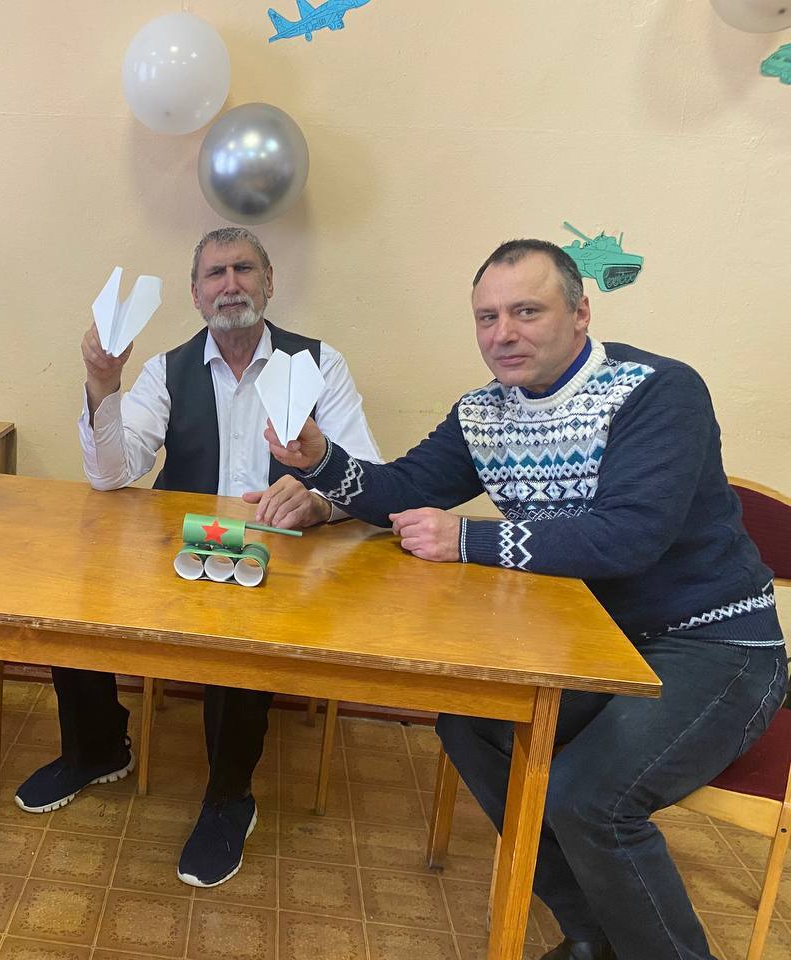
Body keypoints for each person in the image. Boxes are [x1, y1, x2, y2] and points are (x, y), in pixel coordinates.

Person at [265, 238, 785, 960]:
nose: (503, 333)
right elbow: (403, 490)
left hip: (714, 646)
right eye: (487, 317)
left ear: (581, 314)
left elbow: (630, 537)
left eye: (527, 312)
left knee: (587, 798)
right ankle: (593, 932)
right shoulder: (483, 413)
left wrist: (468, 539)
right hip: (589, 644)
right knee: (472, 720)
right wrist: (321, 461)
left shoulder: (658, 391)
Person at [14, 226, 383, 889]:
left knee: (241, 629)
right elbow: (111, 473)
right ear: (195, 292)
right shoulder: (166, 369)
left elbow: (370, 477)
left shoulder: (318, 364)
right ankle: (98, 749)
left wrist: (320, 502)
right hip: (182, 547)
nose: (230, 284)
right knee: (75, 595)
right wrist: (102, 384)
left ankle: (228, 796)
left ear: (269, 282)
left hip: (279, 557)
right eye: (215, 273)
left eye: (244, 269)